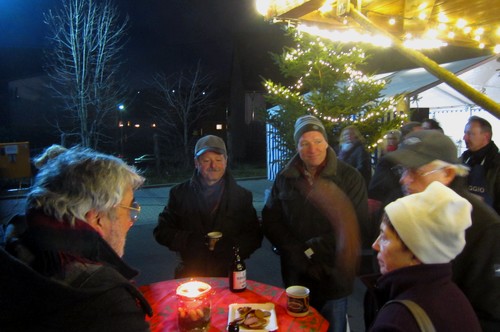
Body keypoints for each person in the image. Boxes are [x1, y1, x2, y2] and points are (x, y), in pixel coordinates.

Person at [1, 146, 152, 332]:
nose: (130, 223)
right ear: (97, 219)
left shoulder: (16, 248)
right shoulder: (106, 303)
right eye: (129, 210)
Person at [385, 129, 500, 331]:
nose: (404, 179)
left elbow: (488, 311)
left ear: (447, 173)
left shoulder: (484, 225)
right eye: (402, 170)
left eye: (414, 171)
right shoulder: (405, 208)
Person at [262, 115, 369, 332]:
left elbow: (357, 224)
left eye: (318, 141)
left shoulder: (349, 177)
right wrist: (293, 250)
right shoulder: (285, 177)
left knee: (332, 327)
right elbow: (271, 218)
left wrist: (310, 249)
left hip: (333, 275)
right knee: (297, 326)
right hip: (296, 274)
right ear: (297, 146)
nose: (313, 148)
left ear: (327, 142)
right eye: (305, 143)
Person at [363, 181, 481, 331]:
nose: (376, 245)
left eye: (385, 237)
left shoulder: (397, 322)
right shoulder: (453, 297)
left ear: (416, 253)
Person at [154, 135, 262, 278]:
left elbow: (254, 234)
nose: (214, 166)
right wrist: (189, 241)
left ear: (226, 161)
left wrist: (234, 248)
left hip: (229, 274)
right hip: (190, 274)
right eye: (206, 160)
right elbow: (162, 231)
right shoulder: (179, 194)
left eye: (218, 160)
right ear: (196, 163)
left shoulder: (242, 196)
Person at [461, 115, 500, 214]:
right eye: (465, 133)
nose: (464, 137)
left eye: (470, 134)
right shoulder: (464, 158)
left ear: (486, 136)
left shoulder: (496, 163)